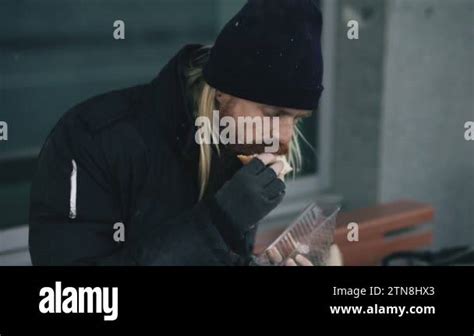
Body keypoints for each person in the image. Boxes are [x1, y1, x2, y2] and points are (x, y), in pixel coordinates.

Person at [28, 0, 324, 265]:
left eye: (298, 119)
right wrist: (218, 222)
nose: (284, 139)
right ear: (222, 91)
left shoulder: (236, 144)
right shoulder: (90, 140)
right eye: (274, 114)